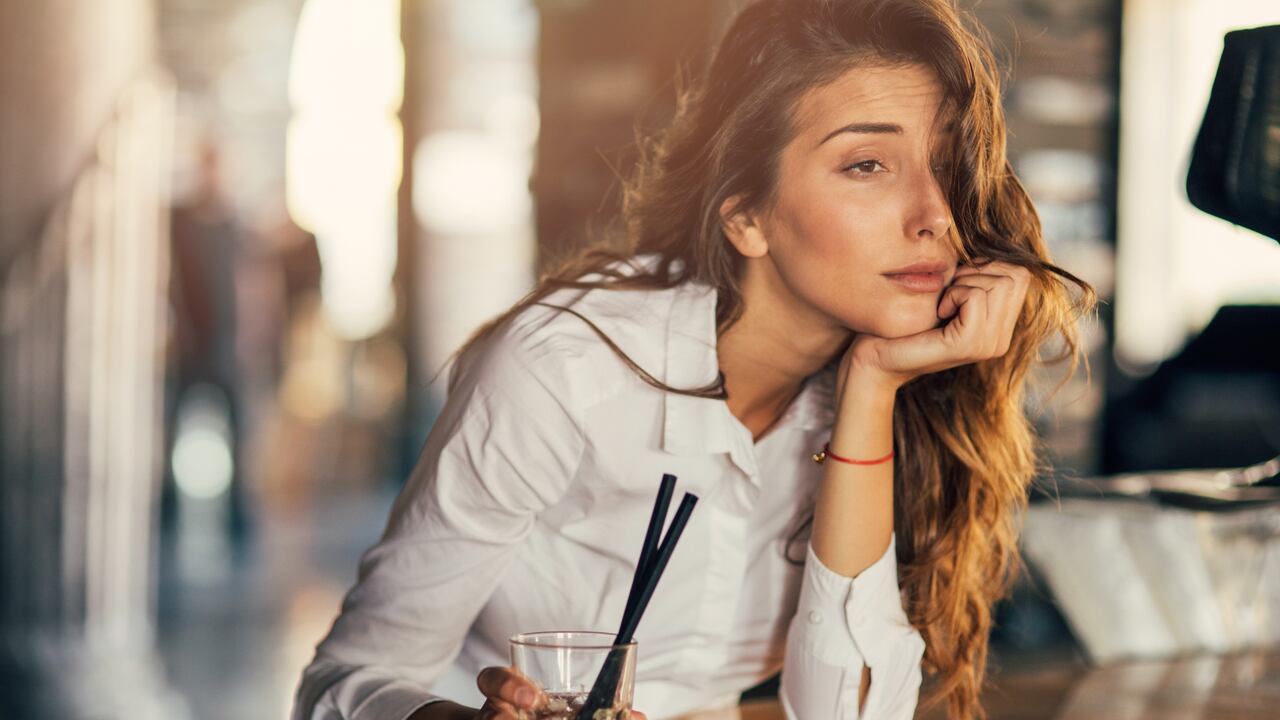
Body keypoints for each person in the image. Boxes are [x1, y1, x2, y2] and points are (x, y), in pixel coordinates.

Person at [292, 0, 1095, 718]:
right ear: (747, 218)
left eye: (948, 165)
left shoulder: (899, 388)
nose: (935, 216)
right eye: (867, 165)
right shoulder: (566, 370)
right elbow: (346, 683)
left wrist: (873, 384)